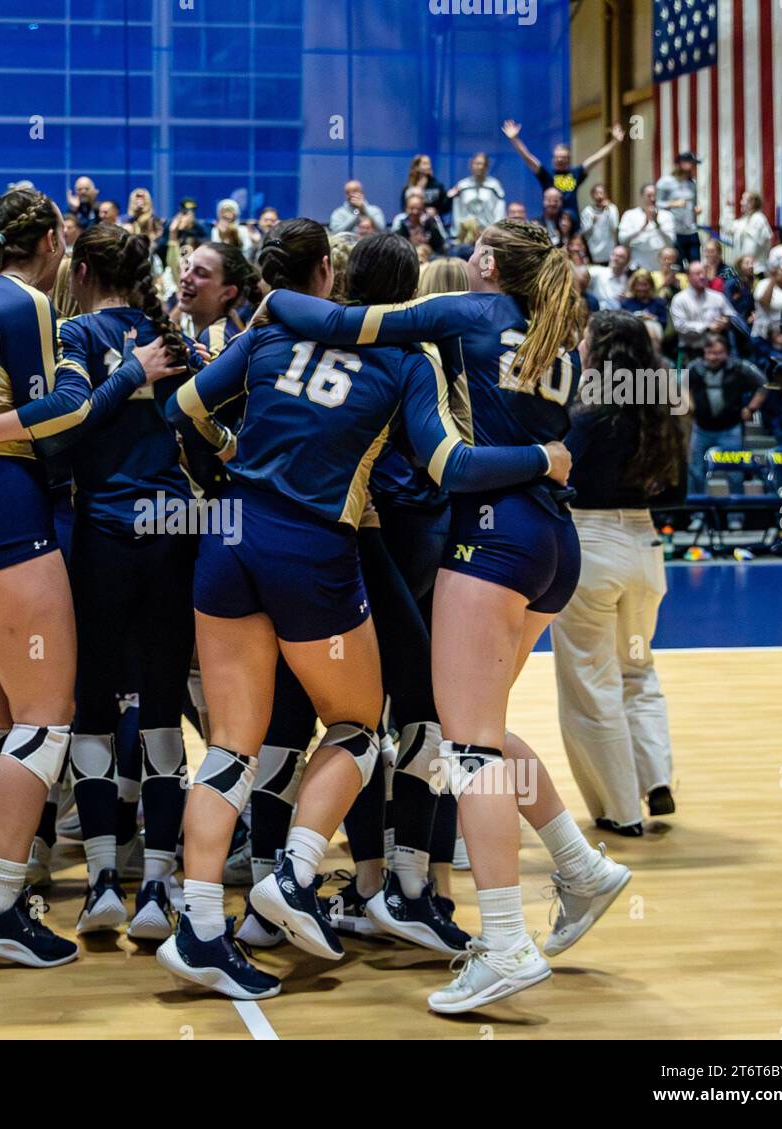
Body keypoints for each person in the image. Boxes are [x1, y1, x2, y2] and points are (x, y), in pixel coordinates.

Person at [158, 219, 573, 1001]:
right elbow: (448, 463)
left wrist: (226, 447)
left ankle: (201, 925)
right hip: (310, 548)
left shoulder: (271, 328)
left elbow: (179, 408)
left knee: (229, 744)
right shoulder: (407, 357)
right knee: (357, 726)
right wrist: (543, 459)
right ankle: (296, 874)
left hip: (229, 530)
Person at [259, 219, 630, 1013]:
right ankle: (580, 864)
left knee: (469, 750)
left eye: (474, 248)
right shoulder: (554, 341)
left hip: (493, 539)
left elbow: (339, 322)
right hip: (554, 542)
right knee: (484, 729)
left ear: (487, 264)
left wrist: (273, 292)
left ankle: (503, 943)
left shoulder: (468, 311)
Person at [0, 188, 182, 967]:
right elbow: (65, 408)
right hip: (0, 505)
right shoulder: (29, 299)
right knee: (47, 717)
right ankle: (1, 904)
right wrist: (129, 371)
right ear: (55, 237)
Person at [38, 223, 196, 938]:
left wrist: (120, 380)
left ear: (83, 266)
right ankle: (159, 888)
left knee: (95, 707)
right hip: (172, 530)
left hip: (102, 532)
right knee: (163, 708)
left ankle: (104, 880)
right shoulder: (175, 339)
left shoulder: (73, 334)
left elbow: (65, 428)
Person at [552, 311, 687, 835]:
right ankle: (657, 780)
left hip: (593, 544)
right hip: (646, 545)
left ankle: (619, 811)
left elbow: (560, 477)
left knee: (591, 679)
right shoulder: (666, 410)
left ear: (600, 349)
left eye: (585, 338)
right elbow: (676, 493)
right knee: (638, 669)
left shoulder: (588, 413)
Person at [684, 334, 767, 495]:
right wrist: (689, 403)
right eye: (710, 352)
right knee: (695, 471)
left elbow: (763, 384)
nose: (713, 357)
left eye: (718, 353)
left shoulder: (739, 367)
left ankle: (735, 516)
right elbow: (682, 385)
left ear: (727, 352)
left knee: (735, 472)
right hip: (701, 428)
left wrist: (751, 408)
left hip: (730, 428)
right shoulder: (695, 367)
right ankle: (698, 514)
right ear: (704, 352)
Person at [502, 119, 626, 219]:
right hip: (551, 222)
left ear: (568, 159)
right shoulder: (546, 175)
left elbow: (596, 158)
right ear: (553, 159)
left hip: (573, 224)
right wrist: (514, 139)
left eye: (563, 157)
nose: (560, 160)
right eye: (557, 157)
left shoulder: (576, 173)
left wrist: (615, 142)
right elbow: (528, 157)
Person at [669, 260, 735, 353]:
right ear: (688, 277)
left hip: (718, 348)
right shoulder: (679, 299)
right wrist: (707, 327)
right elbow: (680, 325)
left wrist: (726, 321)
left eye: (704, 273)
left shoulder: (718, 296)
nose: (702, 276)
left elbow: (731, 316)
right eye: (697, 274)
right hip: (692, 348)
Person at [656, 152, 702, 264]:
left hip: (690, 230)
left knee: (695, 263)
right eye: (691, 164)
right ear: (681, 164)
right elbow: (657, 204)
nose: (693, 167)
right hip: (674, 231)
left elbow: (693, 203)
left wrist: (696, 209)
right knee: (677, 264)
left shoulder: (692, 184)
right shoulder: (665, 182)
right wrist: (673, 204)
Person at [618, 184, 677, 273]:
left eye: (655, 195)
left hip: (660, 264)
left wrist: (657, 224)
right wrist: (641, 228)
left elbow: (671, 242)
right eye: (649, 196)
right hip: (638, 262)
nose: (653, 199)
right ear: (642, 196)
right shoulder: (629, 215)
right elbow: (622, 240)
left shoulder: (667, 215)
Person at [447, 152, 505, 233]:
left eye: (483, 164)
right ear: (471, 165)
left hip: (487, 234)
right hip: (466, 234)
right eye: (477, 164)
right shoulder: (462, 185)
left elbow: (499, 210)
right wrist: (457, 232)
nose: (480, 167)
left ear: (487, 167)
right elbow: (457, 211)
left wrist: (496, 231)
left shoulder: (494, 185)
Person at [721, 190, 774, 267]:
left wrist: (745, 263)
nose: (741, 203)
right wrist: (728, 209)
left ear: (751, 203)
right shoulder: (743, 221)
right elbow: (727, 228)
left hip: (756, 268)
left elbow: (753, 246)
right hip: (743, 267)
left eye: (743, 200)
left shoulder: (758, 219)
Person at [579, 183, 620, 265]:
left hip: (609, 250)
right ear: (592, 195)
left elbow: (615, 226)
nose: (599, 196)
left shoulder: (612, 208)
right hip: (593, 250)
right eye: (596, 193)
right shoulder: (588, 211)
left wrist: (607, 210)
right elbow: (583, 232)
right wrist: (592, 222)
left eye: (601, 193)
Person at [401, 154, 449, 219]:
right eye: (425, 164)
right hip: (413, 222)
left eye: (429, 163)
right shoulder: (408, 188)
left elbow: (445, 207)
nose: (429, 166)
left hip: (432, 223)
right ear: (416, 167)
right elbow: (404, 207)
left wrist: (436, 211)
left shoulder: (437, 186)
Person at [588, 243, 631, 310]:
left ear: (627, 261)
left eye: (621, 256)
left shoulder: (628, 280)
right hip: (597, 313)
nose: (615, 258)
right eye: (614, 255)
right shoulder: (597, 272)